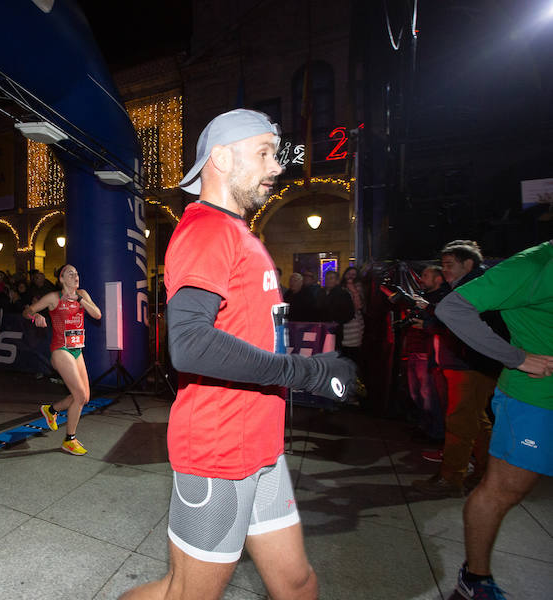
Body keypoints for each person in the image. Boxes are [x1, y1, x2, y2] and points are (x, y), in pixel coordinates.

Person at [121, 109, 356, 600]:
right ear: (222, 158)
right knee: (184, 595)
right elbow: (189, 343)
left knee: (296, 584)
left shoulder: (240, 234)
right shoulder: (207, 230)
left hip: (262, 447)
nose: (277, 166)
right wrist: (307, 372)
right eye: (265, 153)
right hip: (217, 452)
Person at [433, 240, 553, 599]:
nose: (444, 272)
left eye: (449, 265)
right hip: (536, 399)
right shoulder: (533, 265)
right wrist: (516, 357)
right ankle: (476, 576)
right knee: (503, 490)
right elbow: (452, 309)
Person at [413, 240, 505, 496]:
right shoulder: (469, 286)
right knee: (477, 420)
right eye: (443, 265)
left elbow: (465, 326)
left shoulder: (474, 288)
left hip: (470, 364)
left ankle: (452, 478)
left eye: (449, 265)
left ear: (468, 263)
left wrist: (433, 320)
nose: (445, 271)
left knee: (461, 421)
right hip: (470, 363)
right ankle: (484, 472)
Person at [23, 264, 102, 455]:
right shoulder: (53, 297)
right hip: (60, 350)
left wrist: (80, 300)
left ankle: (52, 410)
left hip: (77, 350)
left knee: (85, 397)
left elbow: (97, 315)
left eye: (77, 273)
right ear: (61, 279)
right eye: (70, 274)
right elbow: (27, 311)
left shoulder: (82, 294)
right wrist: (36, 318)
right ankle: (69, 439)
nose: (75, 276)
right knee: (80, 396)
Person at [404, 265, 450, 443]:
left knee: (428, 394)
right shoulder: (421, 297)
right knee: (416, 393)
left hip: (427, 351)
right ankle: (424, 426)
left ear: (438, 279)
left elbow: (441, 324)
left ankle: (436, 432)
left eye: (425, 275)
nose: (421, 279)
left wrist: (427, 309)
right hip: (414, 349)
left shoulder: (442, 299)